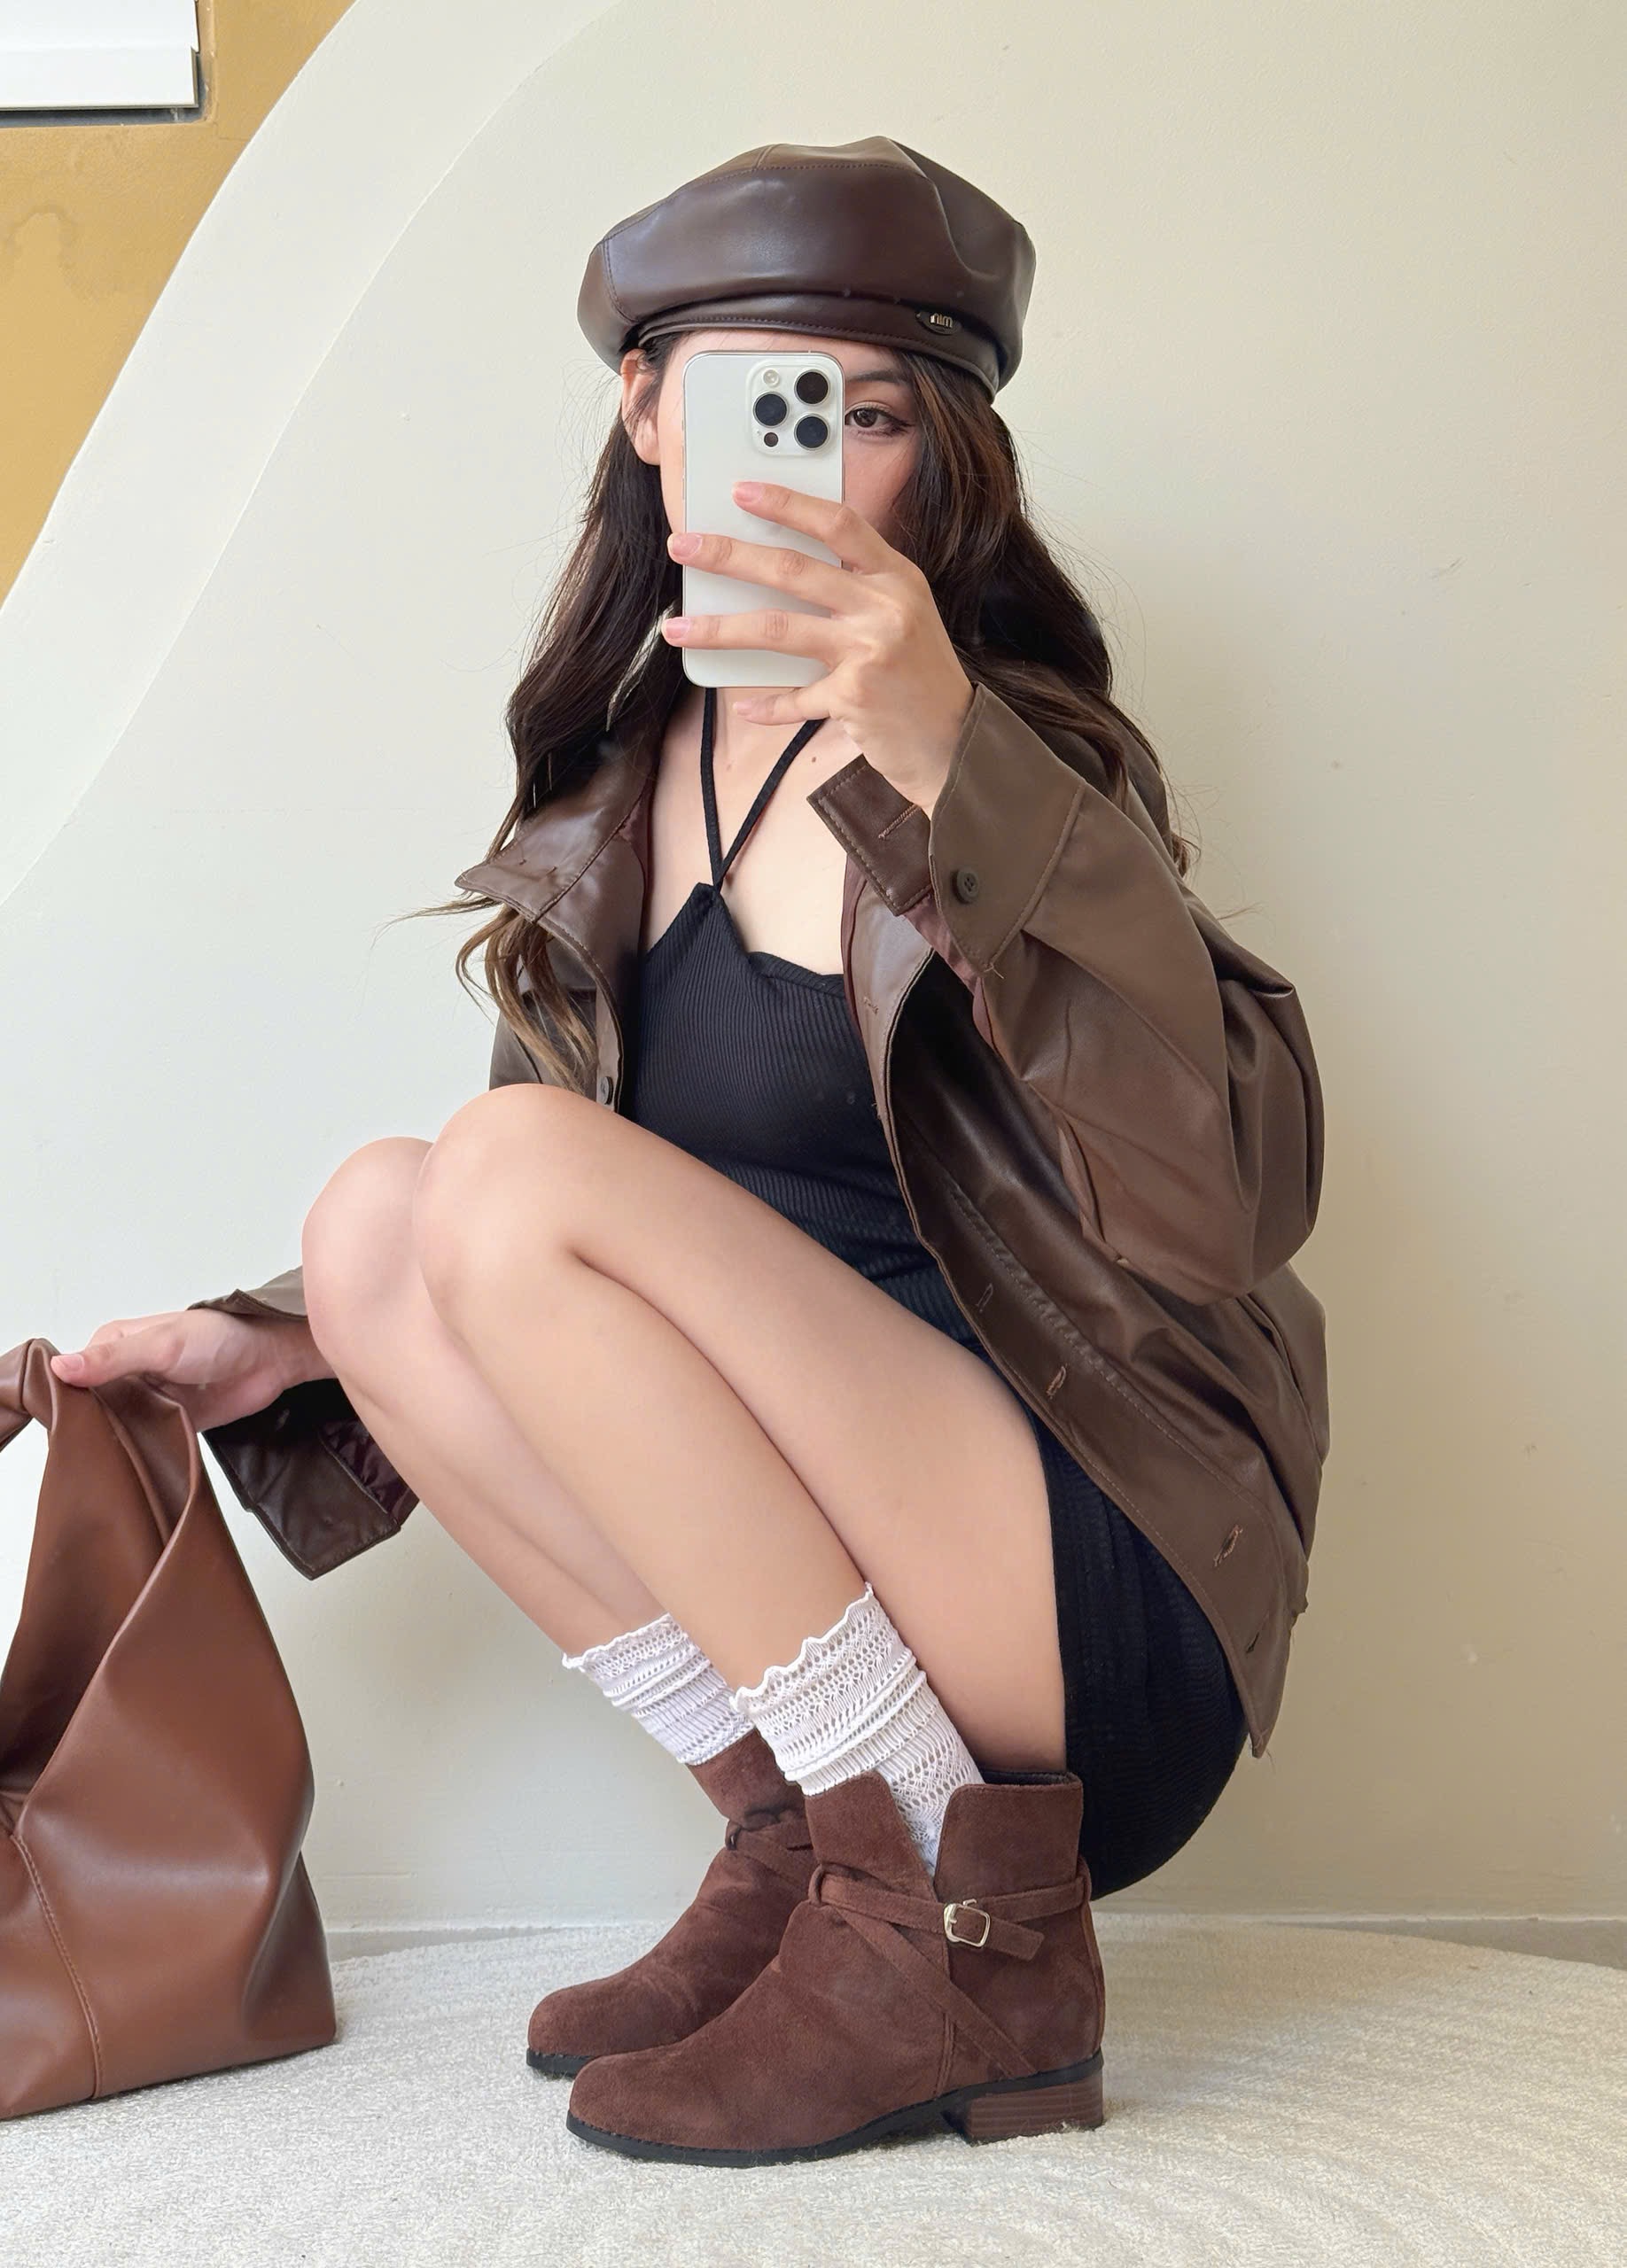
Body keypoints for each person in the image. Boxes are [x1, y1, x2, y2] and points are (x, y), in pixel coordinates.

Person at [48, 137, 1328, 2165]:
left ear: (944, 463)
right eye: (760, 401)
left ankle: (960, 1922)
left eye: (874, 415)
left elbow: (1232, 1194)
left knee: (505, 1162)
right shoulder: (612, 788)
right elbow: (555, 1256)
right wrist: (283, 1340)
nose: (815, 464)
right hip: (860, 1563)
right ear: (647, 412)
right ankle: (809, 1844)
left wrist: (955, 762)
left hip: (1084, 1561)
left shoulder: (1029, 762)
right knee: (379, 1219)